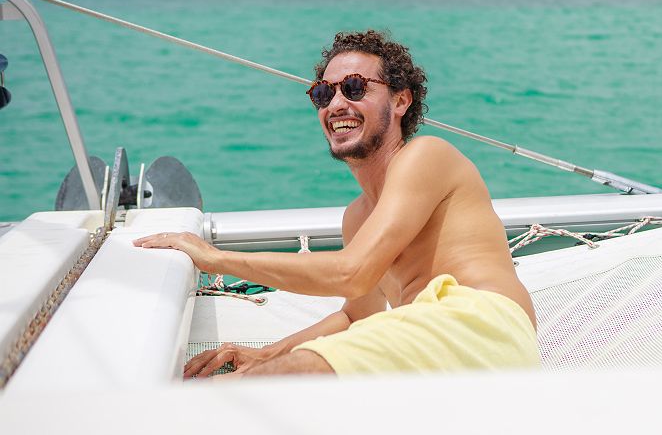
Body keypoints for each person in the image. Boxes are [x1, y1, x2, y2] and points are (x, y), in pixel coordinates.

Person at [134, 29, 540, 377]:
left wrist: (214, 258)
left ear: (401, 101)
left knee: (250, 389)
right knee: (259, 379)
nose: (337, 104)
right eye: (324, 92)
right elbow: (356, 315)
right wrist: (267, 352)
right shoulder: (359, 217)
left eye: (356, 88)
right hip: (428, 338)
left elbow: (353, 273)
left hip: (482, 324)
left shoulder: (427, 156)